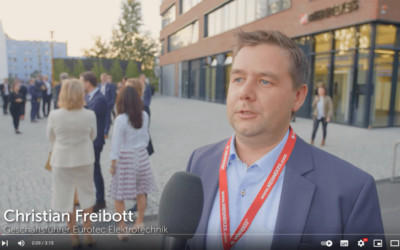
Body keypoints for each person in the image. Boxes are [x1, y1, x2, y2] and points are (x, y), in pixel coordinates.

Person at [184, 30, 384, 250]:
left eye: (265, 81)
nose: (245, 93)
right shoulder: (199, 163)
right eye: (238, 79)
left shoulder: (351, 191)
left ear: (297, 96)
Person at [47, 78, 96, 248]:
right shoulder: (90, 114)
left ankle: (74, 236)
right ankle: (88, 234)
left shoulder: (54, 115)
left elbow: (50, 137)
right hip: (84, 159)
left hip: (61, 160)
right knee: (87, 196)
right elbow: (93, 136)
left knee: (66, 197)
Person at [109, 86, 157, 241]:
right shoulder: (144, 115)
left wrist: (112, 164)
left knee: (118, 195)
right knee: (141, 191)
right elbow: (145, 138)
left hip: (126, 157)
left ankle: (122, 229)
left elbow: (116, 144)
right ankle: (140, 222)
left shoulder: (120, 119)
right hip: (141, 156)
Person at [80, 71, 108, 213]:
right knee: (90, 170)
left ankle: (100, 200)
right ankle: (92, 198)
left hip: (96, 141)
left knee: (95, 170)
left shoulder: (99, 99)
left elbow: (89, 115)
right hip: (89, 140)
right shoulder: (89, 96)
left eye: (81, 81)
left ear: (87, 83)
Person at [99, 73, 116, 139]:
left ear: (106, 78)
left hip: (107, 105)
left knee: (107, 119)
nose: (103, 79)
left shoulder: (110, 86)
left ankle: (106, 132)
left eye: (104, 78)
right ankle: (101, 131)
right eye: (102, 78)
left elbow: (113, 97)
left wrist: (110, 105)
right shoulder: (98, 86)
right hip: (100, 105)